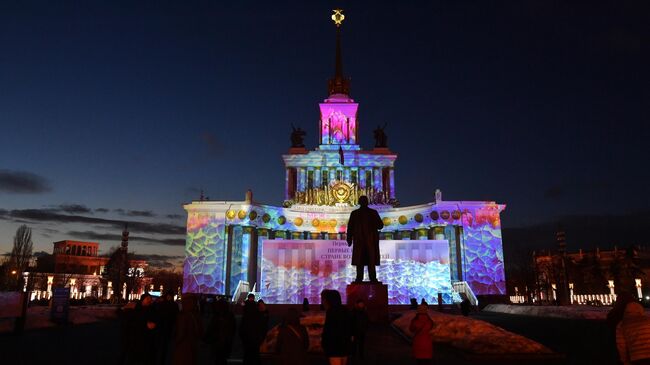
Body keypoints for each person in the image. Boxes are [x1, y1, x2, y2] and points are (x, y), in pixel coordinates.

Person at [346, 195, 384, 282]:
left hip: (366, 241)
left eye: (364, 201)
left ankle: (367, 278)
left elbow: (380, 225)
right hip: (366, 241)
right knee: (364, 260)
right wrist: (349, 238)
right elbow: (350, 227)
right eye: (362, 201)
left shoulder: (369, 213)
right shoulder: (357, 213)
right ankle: (367, 278)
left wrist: (349, 239)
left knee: (368, 260)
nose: (363, 202)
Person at [321, 290, 351, 365]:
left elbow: (328, 331)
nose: (322, 302)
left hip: (334, 347)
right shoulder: (345, 310)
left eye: (323, 299)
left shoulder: (331, 312)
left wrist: (324, 345)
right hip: (345, 345)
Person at [172, 294, 203, 365]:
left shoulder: (183, 315)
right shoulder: (196, 314)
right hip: (193, 344)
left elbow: (181, 332)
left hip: (184, 346)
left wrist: (176, 341)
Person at [205, 298, 237, 365]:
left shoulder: (216, 315)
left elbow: (211, 328)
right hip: (224, 341)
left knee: (218, 358)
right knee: (222, 358)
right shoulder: (229, 315)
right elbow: (233, 329)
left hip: (218, 340)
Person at [156, 291, 179, 364]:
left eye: (170, 296)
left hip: (168, 326)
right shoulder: (164, 304)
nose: (169, 297)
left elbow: (176, 316)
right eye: (168, 296)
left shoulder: (172, 305)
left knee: (166, 345)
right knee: (164, 345)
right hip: (164, 326)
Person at [240, 300, 265, 365]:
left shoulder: (245, 317)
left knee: (248, 357)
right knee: (255, 357)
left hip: (248, 342)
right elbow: (262, 328)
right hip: (255, 342)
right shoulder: (259, 316)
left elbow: (242, 330)